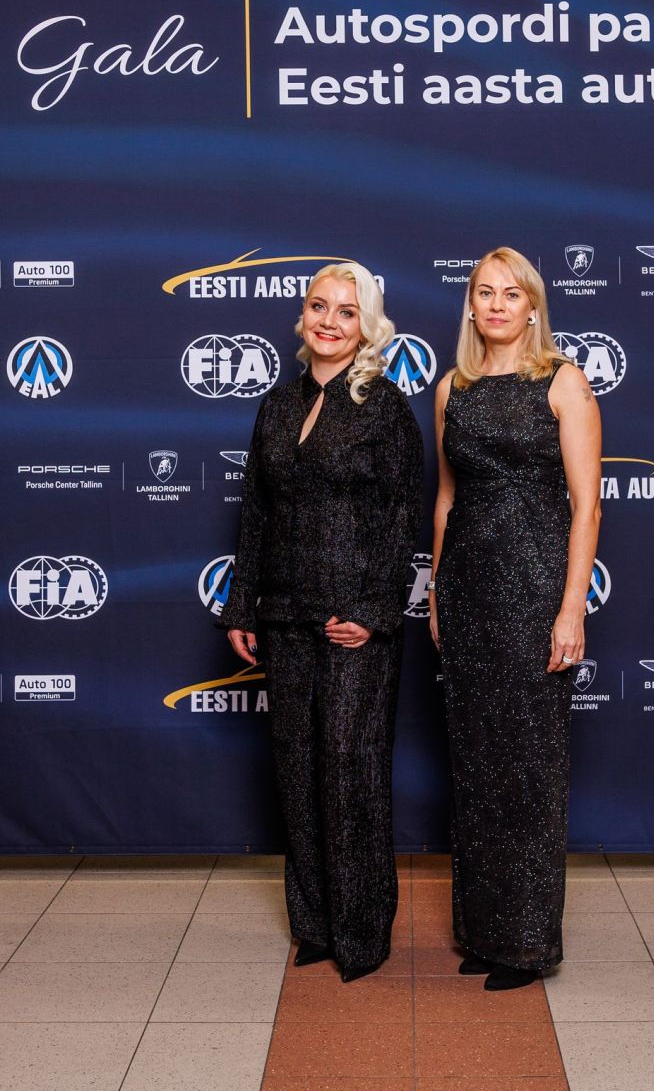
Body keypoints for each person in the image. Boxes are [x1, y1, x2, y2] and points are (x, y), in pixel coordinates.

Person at [218, 261, 423, 982]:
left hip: (352, 623)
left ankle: (362, 935)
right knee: (298, 772)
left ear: (367, 326)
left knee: (349, 774)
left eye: (346, 310)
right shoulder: (276, 404)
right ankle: (314, 925)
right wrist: (242, 603)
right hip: (284, 615)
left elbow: (402, 519)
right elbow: (256, 511)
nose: (329, 321)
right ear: (302, 316)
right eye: (318, 306)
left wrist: (373, 612)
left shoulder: (385, 408)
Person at [429, 246, 602, 992]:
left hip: (534, 593)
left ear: (533, 308)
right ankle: (485, 930)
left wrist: (571, 609)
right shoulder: (452, 388)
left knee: (529, 768)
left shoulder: (563, 381)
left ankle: (527, 944)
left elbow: (587, 507)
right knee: (475, 768)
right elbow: (445, 499)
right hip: (467, 592)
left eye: (511, 294)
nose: (497, 305)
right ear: (470, 305)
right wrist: (438, 594)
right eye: (484, 292)